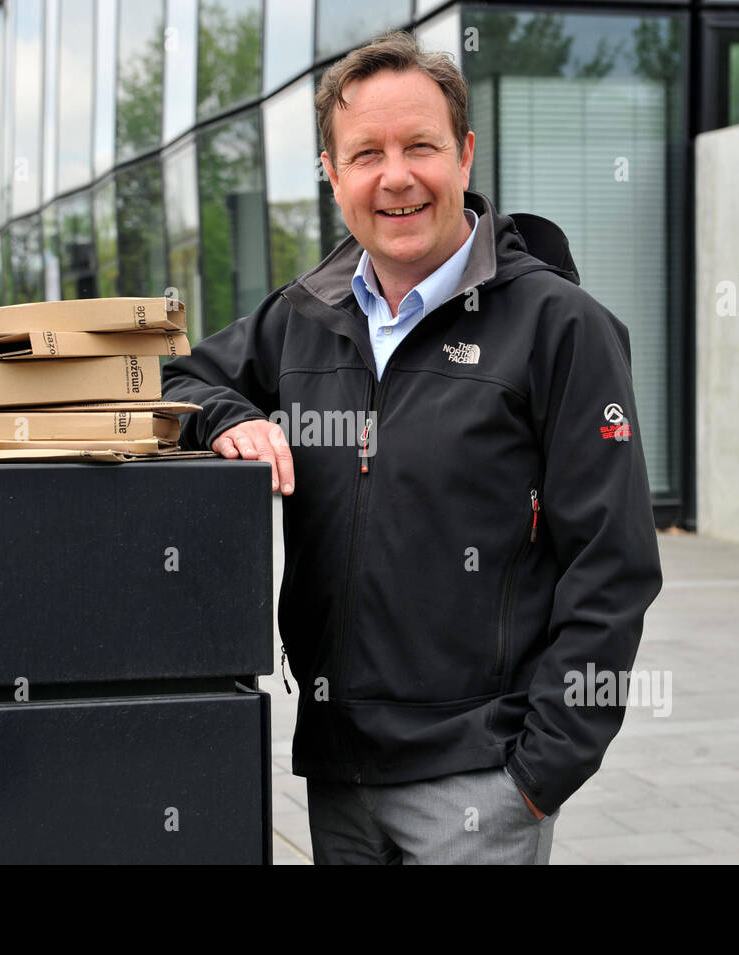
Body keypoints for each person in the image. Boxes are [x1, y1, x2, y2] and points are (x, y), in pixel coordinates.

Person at [161, 31, 662, 865]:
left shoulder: (560, 327)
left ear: (464, 154)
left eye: (420, 146)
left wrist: (539, 773)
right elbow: (172, 381)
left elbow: (614, 566)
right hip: (338, 771)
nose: (395, 176)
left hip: (481, 779)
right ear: (332, 174)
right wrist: (224, 417)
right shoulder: (304, 314)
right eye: (366, 154)